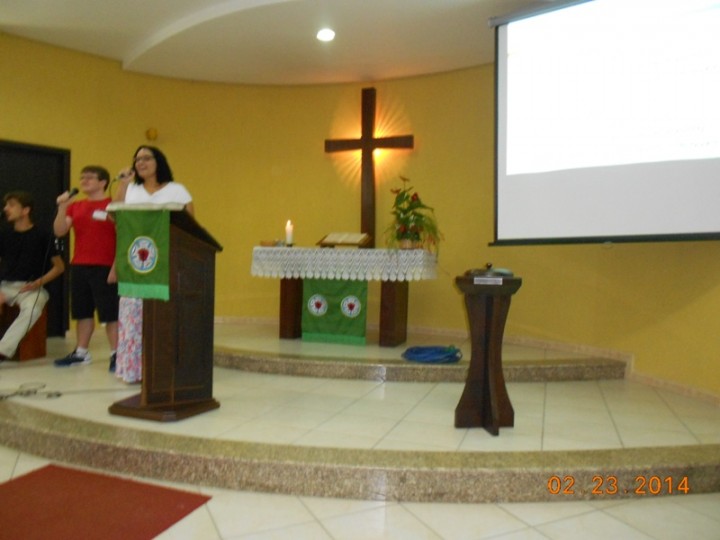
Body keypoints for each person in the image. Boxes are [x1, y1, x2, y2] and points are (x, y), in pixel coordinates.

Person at [113, 146, 194, 383]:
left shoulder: (177, 190)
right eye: (137, 159)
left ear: (159, 161)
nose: (140, 162)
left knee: (163, 317)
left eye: (146, 158)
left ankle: (163, 368)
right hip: (135, 266)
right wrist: (123, 184)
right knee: (133, 316)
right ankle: (133, 370)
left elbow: (190, 227)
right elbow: (114, 214)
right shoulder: (132, 189)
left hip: (166, 264)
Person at [53, 166, 119, 370]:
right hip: (80, 265)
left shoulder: (113, 205)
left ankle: (117, 354)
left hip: (105, 265)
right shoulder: (76, 206)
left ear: (103, 182)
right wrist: (62, 207)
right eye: (82, 177)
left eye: (90, 177)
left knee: (111, 313)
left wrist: (116, 267)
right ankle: (81, 352)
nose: (84, 180)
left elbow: (123, 233)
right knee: (82, 312)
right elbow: (60, 230)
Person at [0, 191, 64, 362]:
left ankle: (3, 350)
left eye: (11, 205)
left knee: (33, 309)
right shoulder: (4, 234)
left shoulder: (42, 235)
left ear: (25, 210)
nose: (6, 209)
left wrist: (38, 283)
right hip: (5, 286)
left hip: (32, 287)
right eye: (6, 205)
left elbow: (59, 267)